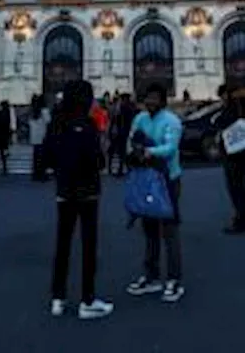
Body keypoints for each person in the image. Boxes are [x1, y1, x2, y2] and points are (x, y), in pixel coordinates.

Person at [46, 80, 114, 320]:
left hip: (64, 192)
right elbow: (97, 161)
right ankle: (87, 300)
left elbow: (47, 157)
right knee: (88, 246)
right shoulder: (88, 126)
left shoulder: (56, 124)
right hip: (87, 193)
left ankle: (58, 297)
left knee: (62, 244)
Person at [124, 82, 185, 303]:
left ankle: (174, 279)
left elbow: (170, 149)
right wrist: (134, 153)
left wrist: (147, 151)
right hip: (145, 180)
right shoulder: (140, 119)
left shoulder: (172, 121)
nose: (150, 101)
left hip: (167, 179)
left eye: (154, 98)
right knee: (149, 228)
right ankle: (151, 276)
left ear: (163, 100)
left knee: (169, 230)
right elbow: (130, 142)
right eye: (147, 97)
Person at [214, 85, 245, 234]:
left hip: (233, 153)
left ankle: (241, 219)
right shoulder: (243, 107)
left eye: (223, 95)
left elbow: (223, 123)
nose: (222, 99)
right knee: (242, 184)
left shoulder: (234, 108)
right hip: (240, 151)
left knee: (236, 186)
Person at [27, 96, 52, 182]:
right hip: (43, 136)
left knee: (36, 157)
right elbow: (48, 121)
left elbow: (29, 123)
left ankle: (35, 174)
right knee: (43, 158)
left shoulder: (32, 112)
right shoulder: (44, 111)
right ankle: (42, 175)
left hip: (34, 137)